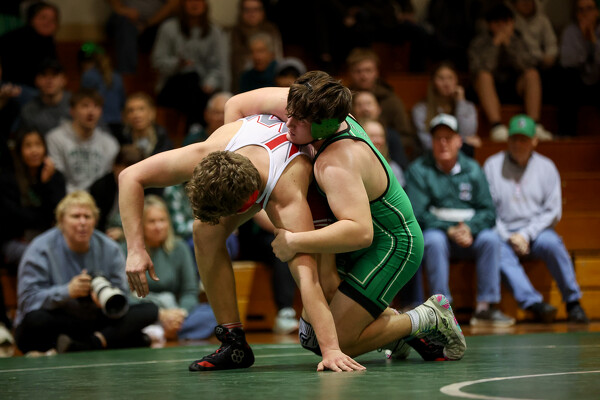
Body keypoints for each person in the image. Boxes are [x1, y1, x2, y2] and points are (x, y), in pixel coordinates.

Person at [224, 71, 465, 364]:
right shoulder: (319, 107)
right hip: (355, 236)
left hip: (391, 243)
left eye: (299, 121)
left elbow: (360, 231)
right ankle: (391, 333)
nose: (288, 123)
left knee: (339, 342)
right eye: (290, 113)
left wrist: (295, 241)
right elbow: (235, 104)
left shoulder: (336, 163)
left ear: (324, 125)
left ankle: (428, 317)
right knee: (311, 336)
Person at [119, 113, 363, 372]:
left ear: (252, 203)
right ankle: (233, 342)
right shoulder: (205, 151)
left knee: (324, 281)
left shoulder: (285, 197)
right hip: (255, 154)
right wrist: (135, 249)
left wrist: (330, 350)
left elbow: (307, 279)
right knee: (204, 230)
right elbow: (129, 176)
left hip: (321, 168)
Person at [404, 113, 515, 327]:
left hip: (469, 236)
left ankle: (485, 308)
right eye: (438, 138)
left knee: (491, 239)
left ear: (459, 141)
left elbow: (488, 211)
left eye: (448, 137)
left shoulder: (473, 169)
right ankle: (442, 309)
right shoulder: (418, 170)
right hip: (439, 235)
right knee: (432, 240)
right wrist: (449, 229)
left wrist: (470, 228)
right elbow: (417, 214)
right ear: (431, 142)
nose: (443, 143)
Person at [14, 191, 158, 354]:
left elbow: (123, 296)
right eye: (76, 216)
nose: (82, 222)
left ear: (95, 221)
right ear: (61, 221)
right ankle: (106, 340)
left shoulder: (110, 248)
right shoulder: (40, 249)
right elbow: (28, 302)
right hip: (59, 319)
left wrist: (106, 302)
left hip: (95, 318)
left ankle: (86, 345)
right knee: (35, 320)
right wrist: (67, 292)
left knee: (150, 310)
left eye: (87, 217)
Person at [483, 114, 589, 323]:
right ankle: (534, 304)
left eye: (524, 139)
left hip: (537, 232)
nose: (518, 144)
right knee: (496, 248)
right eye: (514, 139)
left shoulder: (546, 167)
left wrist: (526, 234)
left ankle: (573, 303)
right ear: (508, 140)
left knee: (553, 243)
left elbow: (553, 211)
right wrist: (510, 236)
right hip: (503, 232)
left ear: (535, 141)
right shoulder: (492, 165)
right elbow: (488, 209)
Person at [125, 195, 217, 341]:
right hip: (144, 311)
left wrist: (179, 314)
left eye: (162, 220)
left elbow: (189, 291)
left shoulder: (180, 248)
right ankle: (165, 331)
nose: (158, 227)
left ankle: (160, 332)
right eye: (152, 221)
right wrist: (159, 314)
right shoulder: (128, 251)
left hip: (175, 311)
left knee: (213, 314)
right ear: (140, 224)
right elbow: (125, 294)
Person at [468, 3, 552, 141]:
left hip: (515, 86)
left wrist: (509, 46)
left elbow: (527, 64)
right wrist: (495, 45)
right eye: (497, 23)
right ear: (489, 25)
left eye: (506, 22)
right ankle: (496, 126)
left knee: (532, 74)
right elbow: (479, 68)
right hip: (489, 89)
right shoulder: (479, 42)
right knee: (483, 76)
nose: (502, 26)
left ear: (512, 23)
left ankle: (534, 125)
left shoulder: (519, 40)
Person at [151, 0, 230, 127]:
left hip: (203, 87)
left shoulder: (215, 32)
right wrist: (178, 63)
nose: (195, 4)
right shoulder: (168, 28)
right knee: (190, 79)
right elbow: (157, 61)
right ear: (183, 4)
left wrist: (210, 82)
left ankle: (194, 130)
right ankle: (196, 130)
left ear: (205, 4)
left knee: (198, 88)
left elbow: (220, 66)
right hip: (172, 85)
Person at [0, 129, 65, 267]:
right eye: (28, 146)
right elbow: (16, 219)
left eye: (38, 145)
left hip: (49, 237)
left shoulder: (54, 177)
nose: (34, 151)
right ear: (19, 150)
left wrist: (45, 184)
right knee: (38, 255)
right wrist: (42, 217)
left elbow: (59, 213)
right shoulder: (7, 179)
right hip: (17, 240)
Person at [345, 48, 417, 157]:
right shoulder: (344, 101)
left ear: (376, 72)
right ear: (350, 73)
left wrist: (383, 143)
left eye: (368, 70)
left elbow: (406, 136)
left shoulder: (391, 100)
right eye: (358, 71)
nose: (363, 76)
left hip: (388, 154)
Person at [46, 88, 120, 193]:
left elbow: (107, 182)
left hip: (98, 199)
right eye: (85, 106)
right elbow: (57, 178)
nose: (91, 112)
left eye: (96, 106)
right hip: (66, 198)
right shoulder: (55, 138)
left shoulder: (110, 143)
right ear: (72, 111)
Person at [412, 61, 480, 157]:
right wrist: (463, 140)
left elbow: (468, 132)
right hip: (430, 157)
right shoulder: (420, 110)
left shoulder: (467, 106)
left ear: (457, 80)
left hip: (461, 156)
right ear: (433, 82)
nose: (446, 83)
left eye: (450, 78)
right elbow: (427, 143)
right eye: (441, 78)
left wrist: (461, 102)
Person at [557, 0, 600, 136]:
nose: (585, 13)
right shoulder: (570, 32)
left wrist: (593, 42)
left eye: (589, 8)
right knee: (567, 78)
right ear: (576, 14)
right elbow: (567, 62)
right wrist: (584, 42)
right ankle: (566, 136)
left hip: (597, 82)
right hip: (578, 84)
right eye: (581, 10)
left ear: (597, 12)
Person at [0, 1, 58, 96]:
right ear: (31, 20)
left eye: (53, 20)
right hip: (13, 86)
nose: (48, 23)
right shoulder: (15, 39)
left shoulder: (48, 40)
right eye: (43, 18)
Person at [106, 0, 180, 74]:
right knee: (125, 26)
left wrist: (147, 23)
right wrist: (122, 10)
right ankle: (127, 75)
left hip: (153, 23)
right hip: (124, 18)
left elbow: (173, 4)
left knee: (170, 27)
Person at [90, 144, 144, 241]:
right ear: (115, 167)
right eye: (125, 171)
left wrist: (124, 233)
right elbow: (95, 221)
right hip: (104, 236)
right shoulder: (100, 187)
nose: (129, 177)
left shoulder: (147, 186)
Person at [230, 0, 283, 93]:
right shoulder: (235, 33)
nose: (252, 14)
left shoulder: (271, 30)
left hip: (271, 78)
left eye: (256, 10)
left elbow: (279, 57)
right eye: (247, 10)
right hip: (244, 81)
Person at [351, 90, 409, 171]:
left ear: (378, 109)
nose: (364, 109)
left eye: (368, 104)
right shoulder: (348, 135)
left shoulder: (392, 136)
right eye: (359, 105)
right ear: (352, 111)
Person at [78, 42, 126, 136]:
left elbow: (83, 100)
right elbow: (122, 102)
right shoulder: (117, 76)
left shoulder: (88, 75)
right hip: (117, 122)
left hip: (98, 122)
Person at [19, 58, 71, 136]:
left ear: (63, 80)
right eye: (44, 75)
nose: (49, 80)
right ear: (37, 80)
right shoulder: (29, 111)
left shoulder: (76, 103)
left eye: (54, 75)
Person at [119, 92, 173, 158]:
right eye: (131, 110)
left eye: (141, 109)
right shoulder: (122, 138)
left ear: (152, 113)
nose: (136, 115)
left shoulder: (162, 137)